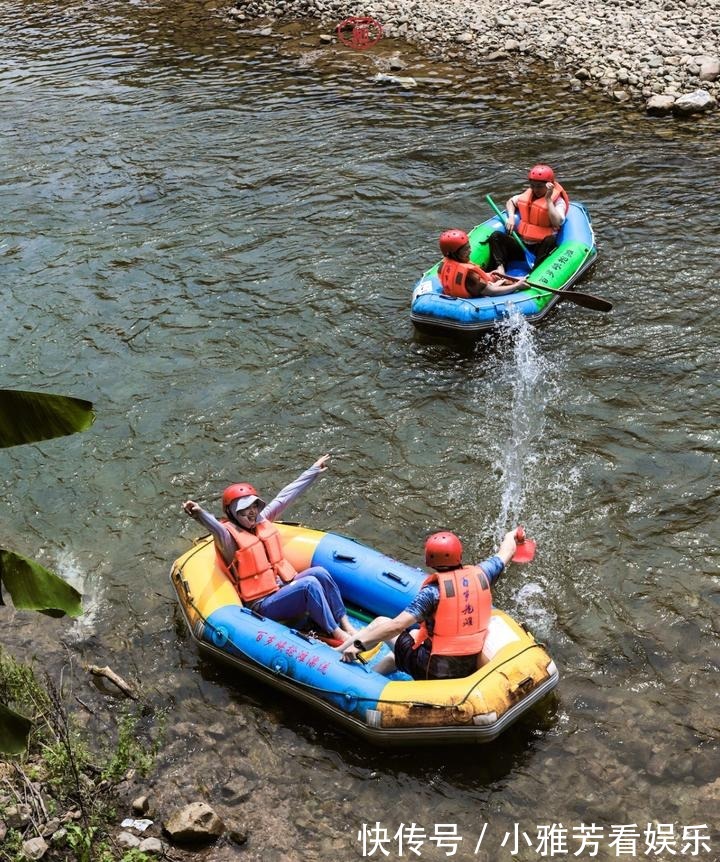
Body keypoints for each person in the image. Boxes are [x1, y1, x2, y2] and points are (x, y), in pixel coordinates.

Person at [183, 455, 356, 642]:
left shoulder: (261, 520)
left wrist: (312, 471)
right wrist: (198, 513)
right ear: (232, 514)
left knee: (320, 573)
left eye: (254, 506)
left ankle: (345, 624)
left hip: (282, 585)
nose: (251, 512)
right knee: (309, 585)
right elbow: (215, 528)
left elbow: (284, 497)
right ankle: (338, 634)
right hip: (262, 604)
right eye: (244, 509)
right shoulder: (228, 539)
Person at [336, 529, 518, 680]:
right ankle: (373, 677)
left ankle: (338, 653)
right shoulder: (482, 574)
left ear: (429, 559)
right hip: (466, 667)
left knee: (381, 623)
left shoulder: (432, 593)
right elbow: (506, 552)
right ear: (459, 554)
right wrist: (513, 534)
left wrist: (360, 644)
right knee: (414, 635)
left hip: (433, 671)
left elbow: (396, 626)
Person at [488, 164, 570, 274]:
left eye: (539, 186)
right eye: (533, 186)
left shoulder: (558, 201)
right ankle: (500, 268)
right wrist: (511, 217)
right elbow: (511, 202)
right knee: (496, 236)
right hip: (523, 243)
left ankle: (535, 273)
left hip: (542, 246)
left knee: (550, 240)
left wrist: (548, 200)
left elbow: (558, 221)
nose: (535, 189)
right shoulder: (528, 195)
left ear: (550, 185)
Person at [437, 229, 525, 299]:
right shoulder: (470, 276)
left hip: (467, 291)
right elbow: (492, 292)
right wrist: (516, 286)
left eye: (469, 247)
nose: (470, 251)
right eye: (465, 250)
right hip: (478, 297)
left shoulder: (446, 263)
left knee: (500, 279)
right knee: (514, 284)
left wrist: (489, 276)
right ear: (454, 253)